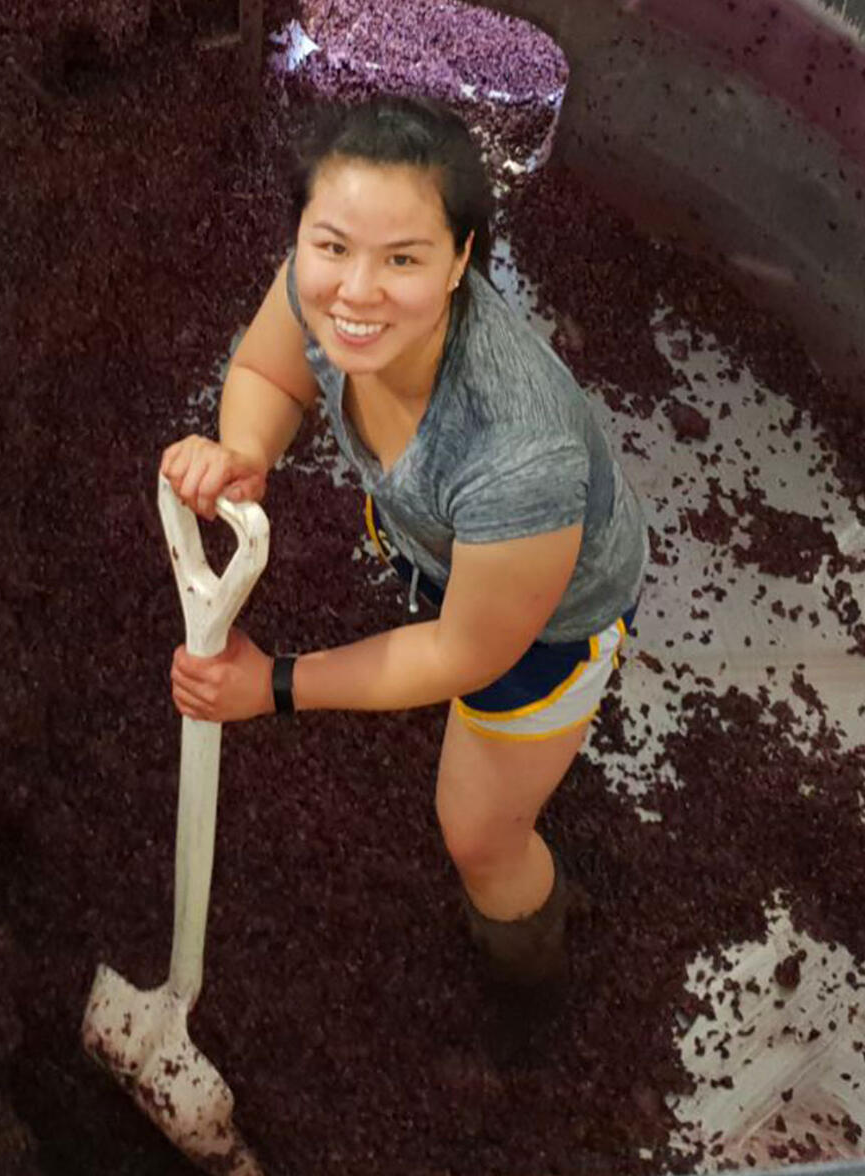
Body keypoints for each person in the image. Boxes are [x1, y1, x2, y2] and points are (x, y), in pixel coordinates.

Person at [160, 94, 647, 1004]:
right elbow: (269, 371)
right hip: (452, 555)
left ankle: (535, 983)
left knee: (478, 835)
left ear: (462, 259)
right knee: (440, 599)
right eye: (333, 244)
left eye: (403, 260)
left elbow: (466, 653)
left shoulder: (515, 452)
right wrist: (244, 455)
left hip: (546, 620)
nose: (356, 291)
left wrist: (270, 686)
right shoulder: (325, 294)